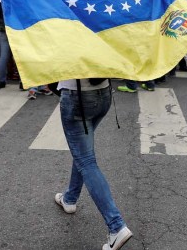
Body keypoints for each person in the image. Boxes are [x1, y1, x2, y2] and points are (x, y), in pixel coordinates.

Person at [55, 78, 133, 250]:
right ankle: (69, 198)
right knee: (83, 153)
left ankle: (117, 226)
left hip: (77, 96)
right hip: (103, 93)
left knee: (86, 161)